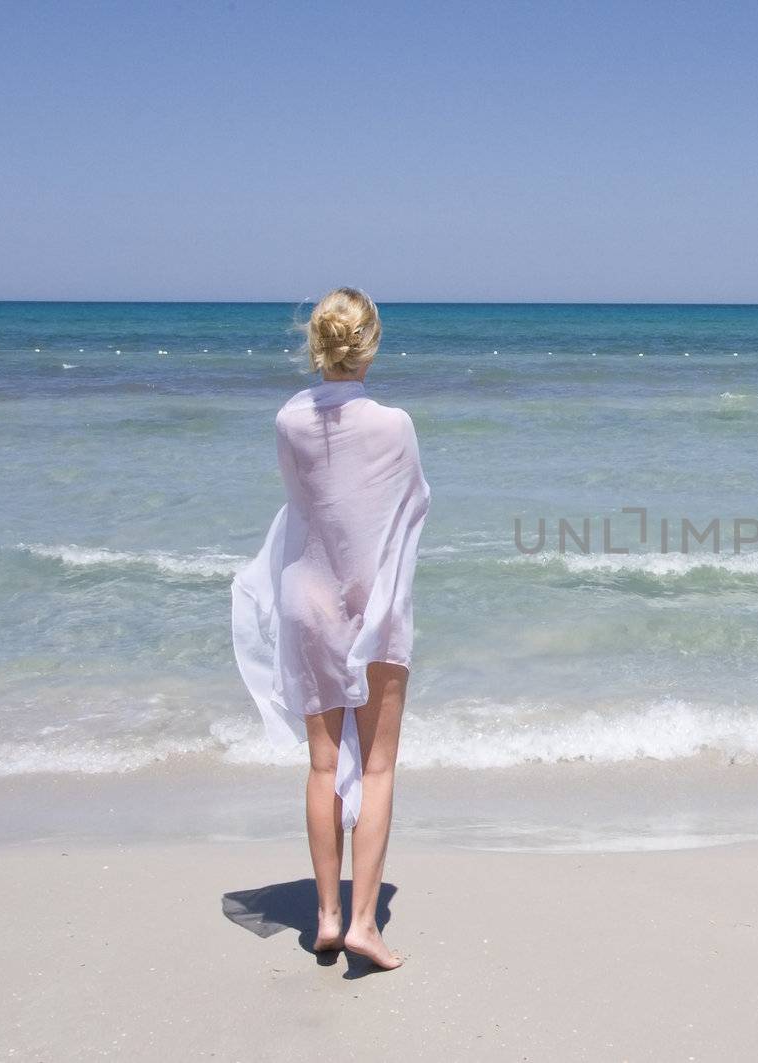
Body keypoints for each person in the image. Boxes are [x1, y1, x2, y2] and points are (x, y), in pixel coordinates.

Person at [231, 287, 430, 970]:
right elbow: (401, 518)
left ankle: (324, 915)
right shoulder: (394, 424)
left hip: (306, 597)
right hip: (370, 603)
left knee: (321, 763)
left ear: (318, 343)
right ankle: (364, 925)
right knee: (375, 764)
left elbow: (305, 509)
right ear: (370, 342)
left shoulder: (288, 420)